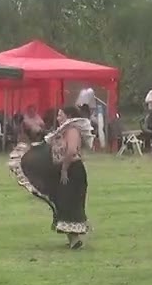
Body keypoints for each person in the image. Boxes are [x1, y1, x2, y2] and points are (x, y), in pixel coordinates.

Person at [9, 106, 94, 249]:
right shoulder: (66, 130)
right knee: (63, 200)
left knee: (68, 202)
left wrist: (65, 170)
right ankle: (73, 239)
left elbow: (71, 151)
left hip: (72, 170)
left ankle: (74, 240)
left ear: (69, 116)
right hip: (69, 169)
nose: (58, 117)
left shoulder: (72, 130)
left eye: (61, 115)